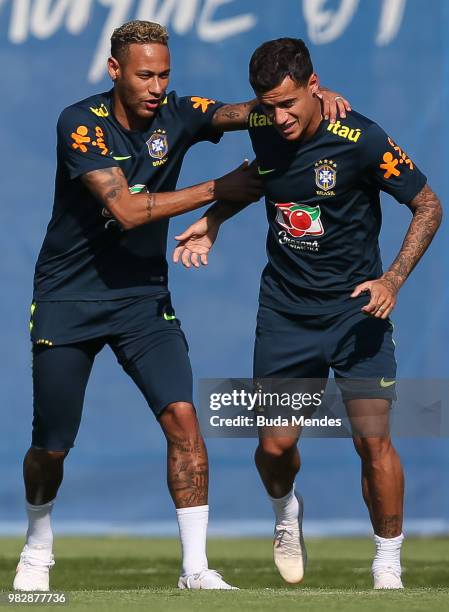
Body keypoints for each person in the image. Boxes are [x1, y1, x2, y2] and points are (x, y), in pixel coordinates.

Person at [14, 21, 347, 593]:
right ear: (114, 70)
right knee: (52, 444)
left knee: (184, 421)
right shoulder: (80, 124)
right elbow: (124, 210)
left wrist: (314, 101)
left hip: (143, 299)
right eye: (145, 74)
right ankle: (38, 545)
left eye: (165, 74)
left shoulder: (178, 111)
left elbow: (244, 113)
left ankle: (195, 569)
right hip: (69, 297)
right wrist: (217, 189)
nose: (156, 85)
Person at [173, 38, 442, 590]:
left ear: (314, 85)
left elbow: (428, 205)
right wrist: (216, 218)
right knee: (274, 447)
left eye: (289, 103)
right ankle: (286, 512)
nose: (280, 117)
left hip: (356, 315)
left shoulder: (361, 138)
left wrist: (391, 280)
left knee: (373, 441)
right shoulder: (264, 125)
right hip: (286, 313)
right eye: (268, 106)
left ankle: (387, 562)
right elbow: (262, 178)